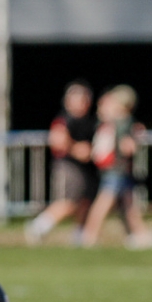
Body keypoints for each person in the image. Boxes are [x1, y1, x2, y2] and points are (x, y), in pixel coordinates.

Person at [79, 86, 152, 249]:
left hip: (113, 169)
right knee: (104, 203)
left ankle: (138, 235)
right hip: (118, 168)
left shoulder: (109, 120)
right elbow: (126, 146)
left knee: (129, 205)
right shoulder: (125, 121)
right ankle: (89, 236)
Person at [25, 81, 98, 245]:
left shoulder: (90, 121)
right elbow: (57, 140)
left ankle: (80, 237)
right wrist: (77, 149)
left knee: (85, 202)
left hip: (86, 168)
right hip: (68, 166)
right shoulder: (64, 120)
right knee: (68, 202)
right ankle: (38, 227)